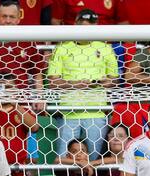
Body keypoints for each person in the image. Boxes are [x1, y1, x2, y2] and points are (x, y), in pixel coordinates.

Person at [47, 9, 119, 159]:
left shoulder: (105, 48)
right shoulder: (62, 48)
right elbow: (53, 82)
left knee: (93, 160)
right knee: (63, 159)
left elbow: (114, 80)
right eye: (84, 26)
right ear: (75, 24)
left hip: (97, 112)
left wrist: (99, 83)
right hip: (68, 112)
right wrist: (76, 84)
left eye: (92, 27)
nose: (88, 31)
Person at [51, 0, 127, 25]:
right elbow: (56, 21)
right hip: (74, 46)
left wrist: (130, 49)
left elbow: (123, 23)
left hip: (107, 46)